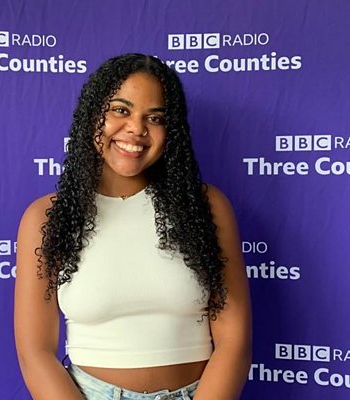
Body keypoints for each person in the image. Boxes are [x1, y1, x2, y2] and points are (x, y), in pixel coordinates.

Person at [14, 53, 251, 400]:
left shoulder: (207, 208)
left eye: (154, 118)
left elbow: (235, 341)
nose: (136, 128)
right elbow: (34, 353)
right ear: (93, 115)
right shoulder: (46, 217)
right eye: (120, 110)